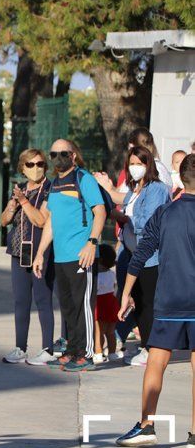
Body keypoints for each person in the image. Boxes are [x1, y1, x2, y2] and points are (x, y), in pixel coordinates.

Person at [115, 154, 195, 448]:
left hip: (170, 300)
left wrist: (126, 293)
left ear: (180, 179)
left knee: (156, 361)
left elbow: (141, 252)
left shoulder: (164, 213)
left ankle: (147, 425)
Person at [32, 139, 107, 372]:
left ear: (74, 155)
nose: (58, 158)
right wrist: (40, 253)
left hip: (81, 254)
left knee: (83, 304)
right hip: (60, 256)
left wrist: (91, 243)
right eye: (53, 154)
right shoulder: (54, 184)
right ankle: (72, 351)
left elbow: (101, 211)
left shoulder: (84, 179)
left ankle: (85, 354)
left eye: (63, 153)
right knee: (68, 306)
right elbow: (51, 222)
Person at [94, 146, 171, 366]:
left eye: (140, 163)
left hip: (150, 257)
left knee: (147, 303)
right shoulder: (137, 189)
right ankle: (146, 345)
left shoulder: (156, 189)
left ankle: (150, 349)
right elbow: (125, 203)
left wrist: (127, 220)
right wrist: (108, 195)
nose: (135, 168)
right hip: (133, 253)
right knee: (137, 302)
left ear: (149, 165)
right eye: (132, 163)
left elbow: (148, 223)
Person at [0, 148, 54, 365]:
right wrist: (12, 207)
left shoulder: (50, 189)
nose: (36, 168)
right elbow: (4, 221)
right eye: (30, 165)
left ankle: (48, 349)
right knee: (21, 301)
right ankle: (20, 348)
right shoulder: (20, 189)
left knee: (43, 300)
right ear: (22, 168)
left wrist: (23, 202)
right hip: (18, 250)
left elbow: (41, 220)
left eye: (40, 164)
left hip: (41, 251)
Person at [93, 244, 123, 364]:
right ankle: (112, 353)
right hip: (111, 303)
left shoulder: (97, 276)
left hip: (100, 304)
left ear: (99, 260)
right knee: (110, 332)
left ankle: (98, 353)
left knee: (98, 331)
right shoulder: (111, 273)